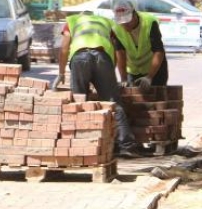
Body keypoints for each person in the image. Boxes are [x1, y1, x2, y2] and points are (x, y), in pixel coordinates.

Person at [56, 10, 143, 158]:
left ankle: (81, 145)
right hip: (103, 57)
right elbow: (119, 52)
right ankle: (126, 145)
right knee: (113, 102)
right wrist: (117, 75)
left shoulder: (72, 21)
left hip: (80, 58)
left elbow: (64, 47)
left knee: (78, 101)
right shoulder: (106, 22)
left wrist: (61, 72)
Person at [111, 0, 168, 89]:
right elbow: (120, 54)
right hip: (133, 70)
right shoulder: (116, 28)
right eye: (122, 23)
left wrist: (149, 77)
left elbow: (158, 51)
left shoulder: (149, 22)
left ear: (134, 14)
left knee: (157, 97)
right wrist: (123, 78)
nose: (125, 25)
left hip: (154, 68)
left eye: (127, 21)